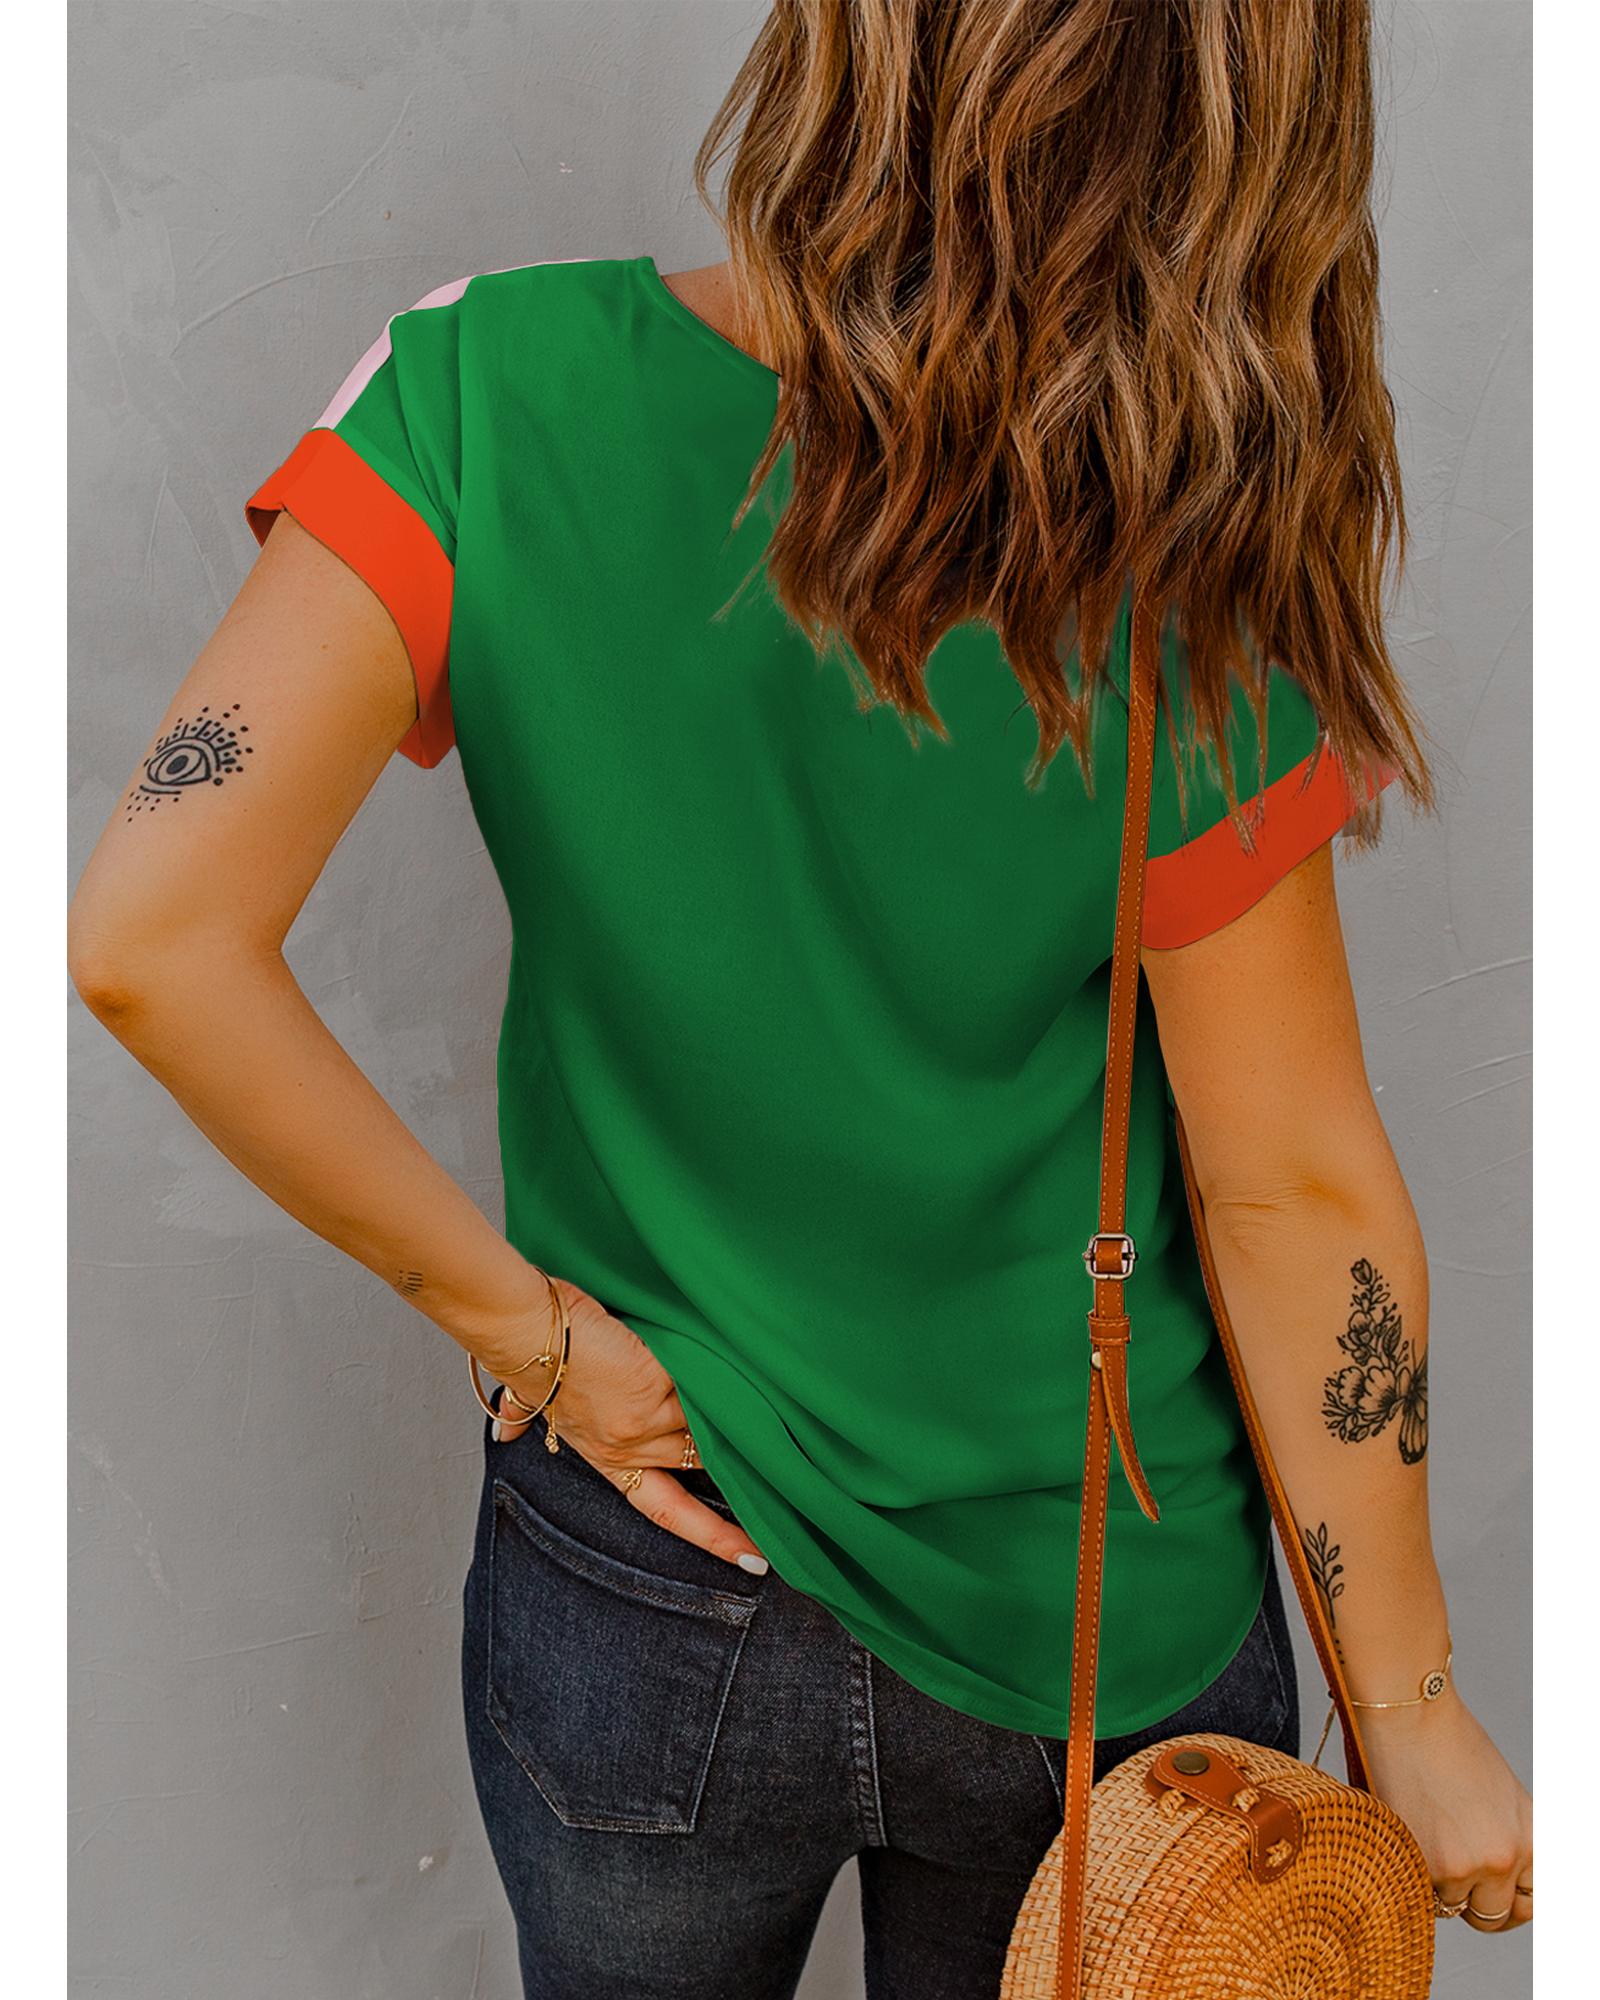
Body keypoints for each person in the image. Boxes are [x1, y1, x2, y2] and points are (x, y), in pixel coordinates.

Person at [68, 3, 1531, 1995]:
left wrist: (530, 1334)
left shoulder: (480, 390)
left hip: (651, 1564)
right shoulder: (1184, 554)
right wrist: (1411, 1703)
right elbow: (1288, 1184)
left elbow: (150, 935)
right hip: (1083, 1605)